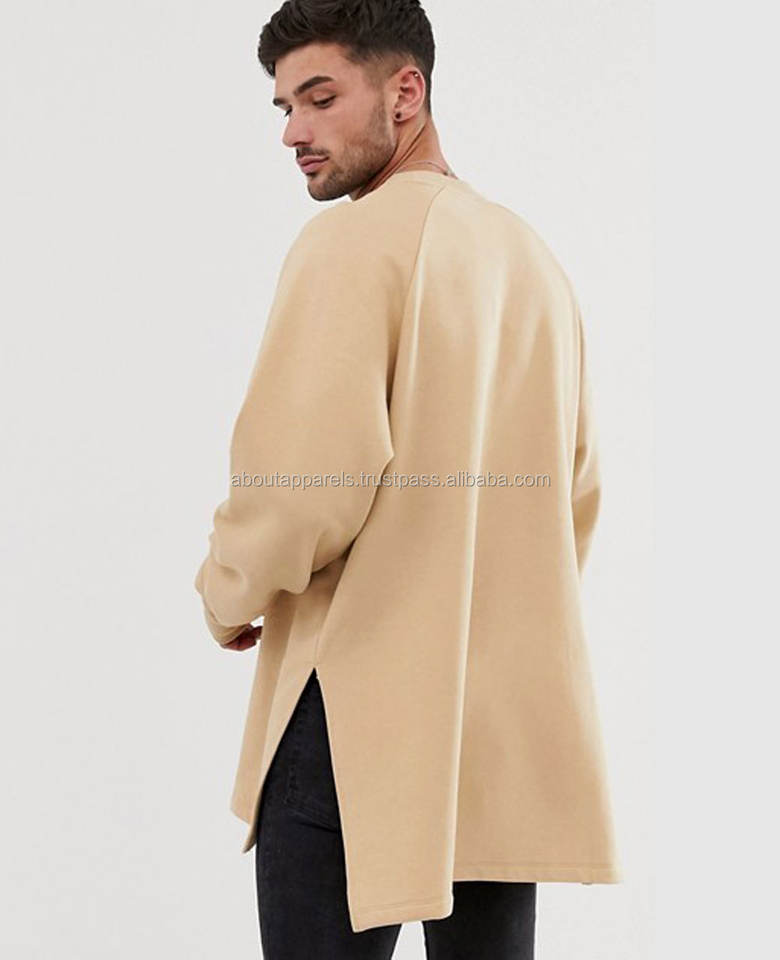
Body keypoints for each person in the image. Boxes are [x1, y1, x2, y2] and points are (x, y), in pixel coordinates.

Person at [194, 1, 621, 957]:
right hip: (494, 723)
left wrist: (225, 593)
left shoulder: (353, 243)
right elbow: (575, 494)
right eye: (284, 107)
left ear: (405, 92)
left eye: (320, 97)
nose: (294, 131)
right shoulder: (530, 260)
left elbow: (300, 488)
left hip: (356, 710)